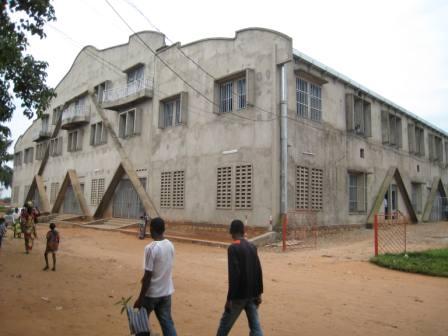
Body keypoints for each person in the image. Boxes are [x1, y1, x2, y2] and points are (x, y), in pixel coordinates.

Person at [216, 219, 264, 336]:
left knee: (225, 325)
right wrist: (259, 294)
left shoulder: (233, 248)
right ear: (243, 231)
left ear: (232, 232)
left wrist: (229, 299)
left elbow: (234, 276)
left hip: (239, 296)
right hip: (252, 294)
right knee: (255, 327)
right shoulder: (252, 246)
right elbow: (258, 271)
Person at [134, 217, 177, 336]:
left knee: (141, 324)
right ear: (163, 229)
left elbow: (148, 275)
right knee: (167, 322)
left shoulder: (151, 248)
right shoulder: (170, 245)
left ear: (151, 229)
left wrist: (140, 298)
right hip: (166, 292)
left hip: (152, 294)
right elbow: (163, 267)